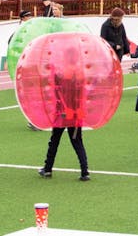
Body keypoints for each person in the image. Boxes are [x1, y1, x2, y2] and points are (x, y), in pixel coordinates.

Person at [37, 39, 91, 181]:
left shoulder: (61, 73)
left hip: (62, 112)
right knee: (77, 141)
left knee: (54, 140)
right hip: (75, 113)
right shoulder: (80, 73)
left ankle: (48, 168)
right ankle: (84, 171)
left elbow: (54, 90)